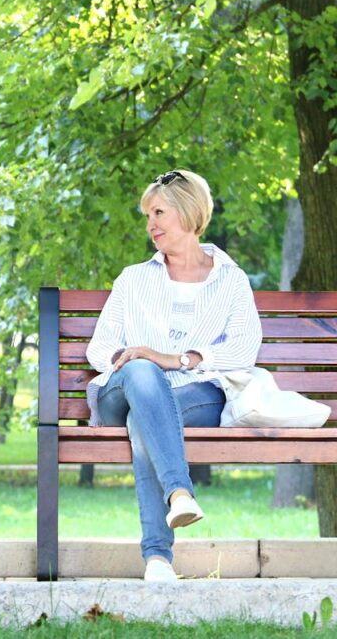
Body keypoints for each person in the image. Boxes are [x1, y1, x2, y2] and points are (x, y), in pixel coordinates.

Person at [85, 170, 261, 582]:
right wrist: (137, 360)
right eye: (148, 215)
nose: (151, 225)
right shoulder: (134, 279)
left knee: (145, 417)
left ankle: (158, 560)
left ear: (188, 213)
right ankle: (179, 492)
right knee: (143, 379)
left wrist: (176, 359)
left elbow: (244, 349)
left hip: (196, 395)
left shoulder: (231, 281)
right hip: (122, 392)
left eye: (159, 212)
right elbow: (99, 347)